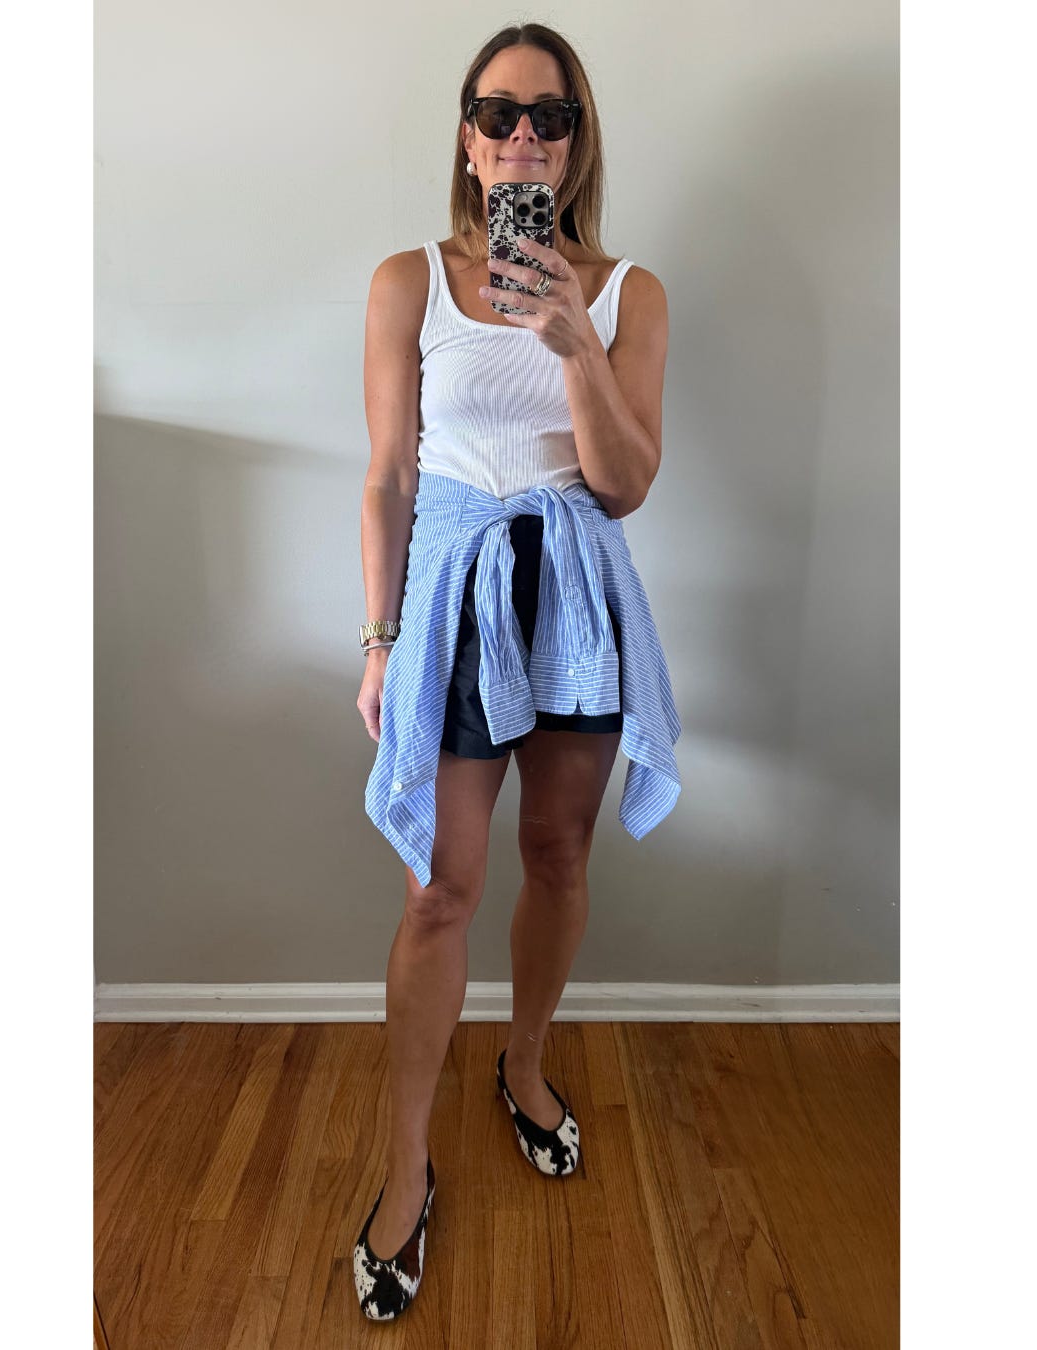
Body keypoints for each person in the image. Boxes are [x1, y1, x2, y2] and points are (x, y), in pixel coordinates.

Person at [352, 23, 681, 1321]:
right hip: (451, 596)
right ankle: (405, 1163)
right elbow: (388, 478)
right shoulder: (408, 282)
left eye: (550, 117)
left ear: (578, 141)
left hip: (575, 591)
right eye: (500, 114)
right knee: (442, 888)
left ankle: (525, 1063)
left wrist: (573, 338)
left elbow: (626, 483)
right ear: (468, 135)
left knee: (556, 855)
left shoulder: (629, 293)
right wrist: (379, 641)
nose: (523, 137)